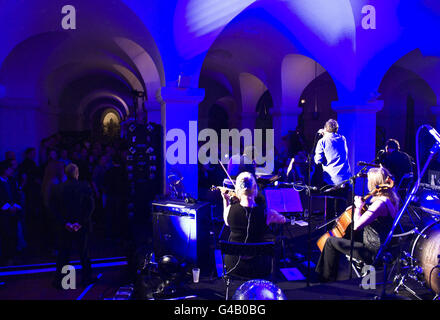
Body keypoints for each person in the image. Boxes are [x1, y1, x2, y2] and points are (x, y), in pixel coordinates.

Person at [315, 167, 398, 282]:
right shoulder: (390, 199)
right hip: (380, 244)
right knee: (343, 236)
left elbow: (357, 225)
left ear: (374, 183)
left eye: (369, 181)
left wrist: (358, 207)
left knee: (330, 241)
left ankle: (325, 278)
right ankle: (330, 272)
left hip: (372, 251)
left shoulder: (379, 203)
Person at [221, 172, 286, 278]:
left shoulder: (229, 210)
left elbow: (226, 222)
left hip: (234, 266)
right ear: (255, 187)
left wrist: (226, 200)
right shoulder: (268, 213)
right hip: (259, 267)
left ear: (237, 188)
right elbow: (283, 220)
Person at [51, 163, 95, 287]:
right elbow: (90, 206)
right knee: (84, 252)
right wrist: (80, 222)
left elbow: (53, 208)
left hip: (64, 227)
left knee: (63, 253)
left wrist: (65, 223)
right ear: (77, 173)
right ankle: (87, 278)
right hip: (81, 226)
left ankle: (60, 281)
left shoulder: (57, 188)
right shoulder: (84, 186)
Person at [314, 119, 352, 217]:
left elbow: (318, 160)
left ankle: (330, 230)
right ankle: (342, 231)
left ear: (325, 128)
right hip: (344, 179)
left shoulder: (322, 141)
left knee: (329, 210)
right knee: (342, 210)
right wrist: (326, 133)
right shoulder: (342, 138)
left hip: (331, 180)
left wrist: (323, 135)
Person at [0, 160, 22, 265]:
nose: (11, 170)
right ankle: (7, 256)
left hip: (14, 211)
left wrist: (15, 206)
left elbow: (17, 194)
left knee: (14, 233)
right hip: (3, 213)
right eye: (9, 169)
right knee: (6, 235)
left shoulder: (12, 180)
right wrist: (8, 207)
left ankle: (14, 255)